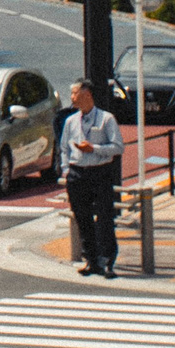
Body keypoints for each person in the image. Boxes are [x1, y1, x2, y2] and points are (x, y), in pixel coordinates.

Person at [63, 78, 124, 277]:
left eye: (75, 93)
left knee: (105, 216)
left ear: (87, 94)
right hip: (77, 172)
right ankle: (90, 260)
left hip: (100, 173)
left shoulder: (106, 119)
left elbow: (118, 147)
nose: (72, 97)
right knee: (83, 217)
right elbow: (64, 148)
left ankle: (107, 260)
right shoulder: (71, 121)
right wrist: (66, 169)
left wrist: (94, 149)